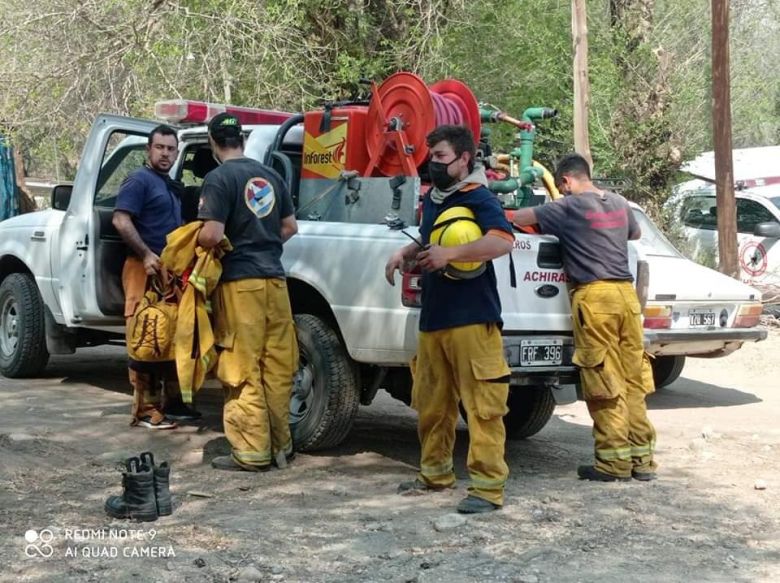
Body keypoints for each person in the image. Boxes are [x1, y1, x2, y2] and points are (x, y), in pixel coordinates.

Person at [385, 125, 514, 514]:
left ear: (464, 160)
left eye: (440, 157)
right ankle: (435, 473)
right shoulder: (437, 199)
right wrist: (405, 252)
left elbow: (503, 241)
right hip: (435, 318)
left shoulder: (479, 197)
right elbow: (430, 238)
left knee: (482, 407)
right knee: (432, 403)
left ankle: (488, 489)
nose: (433, 164)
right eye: (431, 157)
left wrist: (449, 255)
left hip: (472, 318)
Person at [512, 153, 657, 482]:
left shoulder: (566, 207)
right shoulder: (619, 203)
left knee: (603, 381)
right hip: (626, 297)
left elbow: (519, 217)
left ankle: (612, 464)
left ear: (565, 181)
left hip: (595, 299)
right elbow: (633, 235)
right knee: (633, 380)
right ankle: (642, 462)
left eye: (562, 188)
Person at [197, 113, 299, 472]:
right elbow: (290, 226)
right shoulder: (270, 175)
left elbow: (211, 234)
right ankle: (281, 444)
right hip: (275, 281)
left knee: (242, 365)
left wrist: (190, 242)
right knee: (277, 365)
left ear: (213, 143)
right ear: (241, 139)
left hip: (241, 284)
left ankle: (251, 451)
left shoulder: (218, 177)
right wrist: (264, 242)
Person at [113, 124, 200, 429]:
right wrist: (146, 254)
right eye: (160, 147)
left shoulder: (169, 184)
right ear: (149, 149)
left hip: (169, 272)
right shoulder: (139, 180)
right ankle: (145, 410)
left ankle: (173, 404)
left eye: (170, 149)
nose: (165, 153)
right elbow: (120, 219)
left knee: (171, 335)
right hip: (142, 268)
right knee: (145, 336)